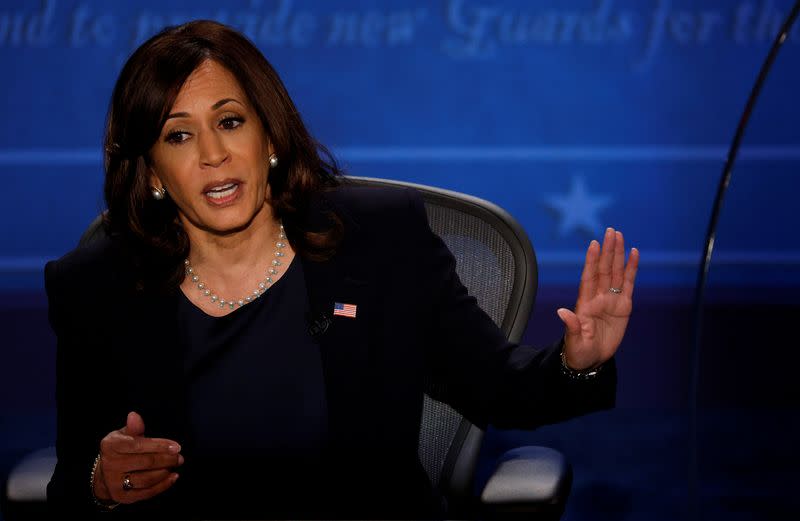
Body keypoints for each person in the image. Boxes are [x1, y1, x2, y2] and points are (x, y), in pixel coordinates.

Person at [44, 19, 639, 520]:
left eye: (230, 122)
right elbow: (70, 482)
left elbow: (500, 385)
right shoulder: (96, 286)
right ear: (151, 173)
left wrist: (576, 363)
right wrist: (99, 481)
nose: (213, 154)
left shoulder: (379, 240)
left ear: (268, 136)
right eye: (178, 135)